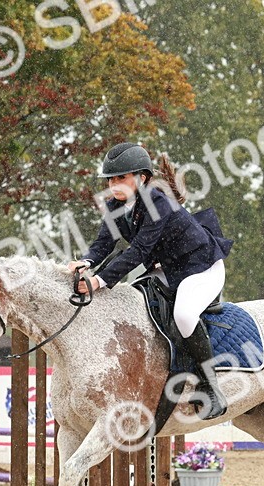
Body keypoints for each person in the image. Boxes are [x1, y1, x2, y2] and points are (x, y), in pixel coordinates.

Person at [67, 142, 233, 420]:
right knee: (133, 299)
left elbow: (138, 251)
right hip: (168, 268)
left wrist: (98, 282)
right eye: (110, 179)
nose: (113, 184)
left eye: (121, 178)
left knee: (184, 314)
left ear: (141, 178)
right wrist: (87, 262)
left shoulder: (159, 201)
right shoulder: (114, 205)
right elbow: (103, 243)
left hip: (201, 267)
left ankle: (212, 388)